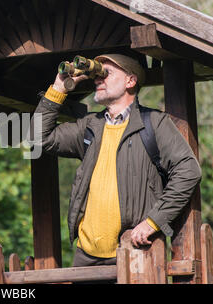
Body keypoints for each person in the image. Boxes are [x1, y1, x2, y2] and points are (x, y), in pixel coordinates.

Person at [31, 54, 202, 267]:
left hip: (135, 252)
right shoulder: (89, 125)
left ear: (130, 81)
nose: (97, 79)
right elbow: (39, 139)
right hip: (86, 255)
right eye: (96, 74)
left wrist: (153, 221)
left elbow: (189, 171)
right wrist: (59, 88)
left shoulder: (155, 124)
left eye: (106, 74)